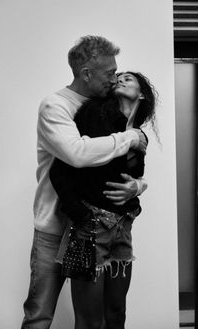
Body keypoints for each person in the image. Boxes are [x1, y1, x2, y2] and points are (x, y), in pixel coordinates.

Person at [21, 36, 148, 329]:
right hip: (55, 226)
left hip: (102, 228)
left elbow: (123, 169)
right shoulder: (56, 105)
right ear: (87, 73)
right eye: (109, 73)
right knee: (40, 313)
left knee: (104, 316)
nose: (114, 78)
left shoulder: (105, 106)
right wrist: (131, 137)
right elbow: (76, 154)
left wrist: (137, 187)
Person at [50, 71, 158, 329]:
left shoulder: (138, 135)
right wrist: (81, 215)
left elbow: (133, 178)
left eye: (128, 78)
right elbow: (61, 168)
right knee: (90, 321)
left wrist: (138, 187)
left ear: (141, 93)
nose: (120, 78)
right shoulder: (93, 115)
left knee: (116, 313)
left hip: (123, 227)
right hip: (91, 227)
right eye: (118, 76)